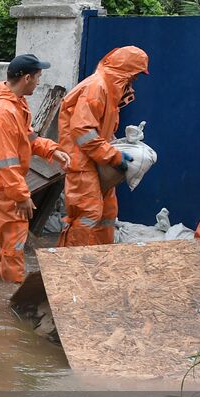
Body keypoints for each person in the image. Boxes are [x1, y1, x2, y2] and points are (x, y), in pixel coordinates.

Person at [0, 55, 71, 282]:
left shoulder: (14, 102)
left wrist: (50, 149)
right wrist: (21, 195)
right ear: (27, 78)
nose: (40, 82)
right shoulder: (4, 112)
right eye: (38, 77)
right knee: (14, 240)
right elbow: (7, 160)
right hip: (2, 188)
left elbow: (27, 137)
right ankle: (10, 294)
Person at [55, 46, 149, 247]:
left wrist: (120, 145)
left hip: (95, 160)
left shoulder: (109, 89)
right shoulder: (97, 88)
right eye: (136, 74)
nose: (136, 80)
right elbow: (83, 131)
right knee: (88, 213)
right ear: (126, 71)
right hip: (81, 162)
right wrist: (114, 156)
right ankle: (71, 267)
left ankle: (102, 261)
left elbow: (99, 132)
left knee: (107, 213)